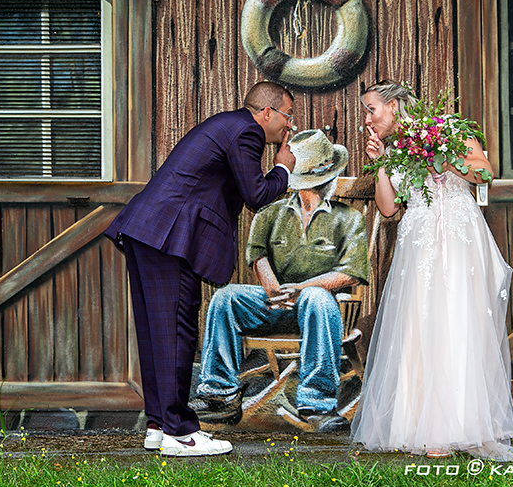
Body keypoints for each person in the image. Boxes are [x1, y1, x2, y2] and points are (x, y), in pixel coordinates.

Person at [104, 81, 296, 457]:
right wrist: (282, 169)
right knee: (177, 330)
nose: (289, 126)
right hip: (169, 236)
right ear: (268, 112)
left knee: (156, 331)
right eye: (287, 116)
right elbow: (256, 194)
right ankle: (180, 432)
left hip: (149, 230)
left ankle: (159, 425)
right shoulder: (247, 132)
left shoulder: (228, 125)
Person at [351, 80, 513, 461]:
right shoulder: (395, 151)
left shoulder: (447, 129)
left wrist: (444, 159)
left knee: (460, 321)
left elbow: (483, 171)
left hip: (458, 238)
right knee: (420, 323)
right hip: (419, 241)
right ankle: (427, 427)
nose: (366, 118)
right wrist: (380, 162)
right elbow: (388, 207)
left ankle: (465, 424)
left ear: (394, 106)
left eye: (370, 109)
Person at [193, 130, 369, 433]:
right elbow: (258, 257)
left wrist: (300, 289)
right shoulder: (269, 214)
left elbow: (350, 274)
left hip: (317, 305)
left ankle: (316, 405)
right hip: (272, 302)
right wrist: (274, 290)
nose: (311, 189)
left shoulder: (348, 218)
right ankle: (221, 396)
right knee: (227, 297)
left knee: (316, 298)